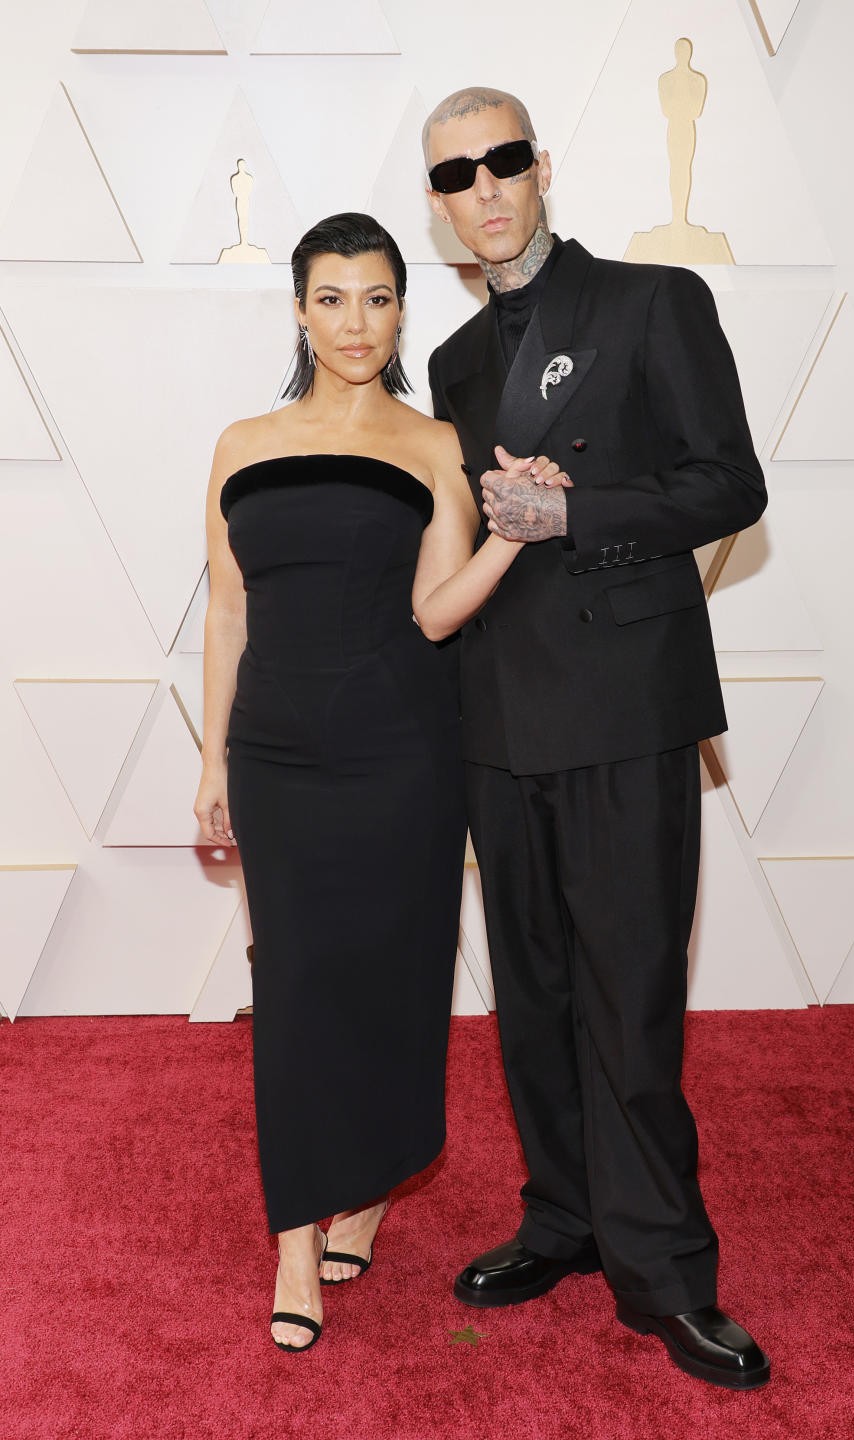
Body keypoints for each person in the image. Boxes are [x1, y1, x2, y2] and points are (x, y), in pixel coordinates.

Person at [423, 89, 771, 1389]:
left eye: (503, 159)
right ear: (442, 203)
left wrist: (579, 515)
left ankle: (668, 1273)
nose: (486, 187)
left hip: (625, 708)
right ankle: (564, 1219)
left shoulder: (649, 302)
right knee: (534, 1001)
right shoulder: (454, 366)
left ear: (542, 166)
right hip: (498, 722)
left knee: (631, 1001)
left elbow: (728, 483)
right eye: (458, 173)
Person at [194, 212, 528, 1353]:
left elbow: (436, 610)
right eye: (332, 298)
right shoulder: (241, 442)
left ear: (401, 310)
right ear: (298, 309)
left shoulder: (434, 443)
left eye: (378, 298)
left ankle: (376, 1183)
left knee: (393, 973)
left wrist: (511, 537)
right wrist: (209, 757)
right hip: (278, 754)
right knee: (293, 983)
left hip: (402, 748)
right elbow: (229, 610)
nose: (355, 322)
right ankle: (297, 1235)